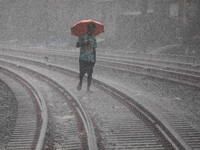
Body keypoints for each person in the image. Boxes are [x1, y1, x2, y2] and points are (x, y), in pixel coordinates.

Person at [76, 23, 97, 92]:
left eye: (93, 29)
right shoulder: (82, 36)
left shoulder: (93, 38)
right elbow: (77, 45)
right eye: (91, 29)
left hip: (90, 59)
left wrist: (94, 58)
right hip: (83, 58)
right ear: (88, 29)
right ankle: (81, 82)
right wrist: (85, 43)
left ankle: (88, 88)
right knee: (82, 72)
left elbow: (94, 49)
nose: (92, 30)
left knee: (90, 73)